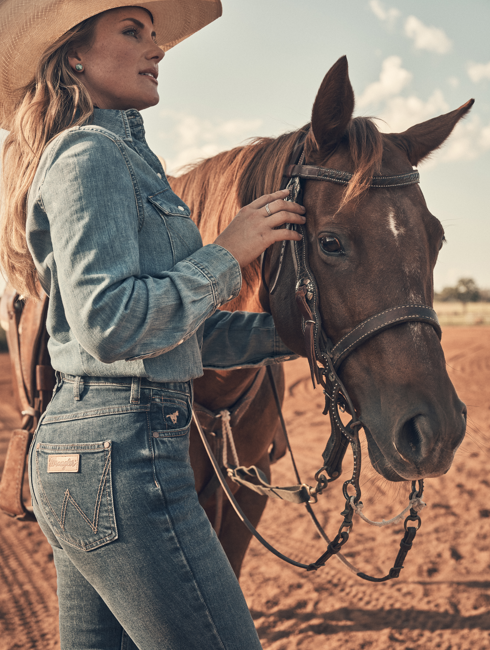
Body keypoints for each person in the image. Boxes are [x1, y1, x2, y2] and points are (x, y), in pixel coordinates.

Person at [0, 2, 306, 649]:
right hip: (127, 454)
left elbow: (169, 331)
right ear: (75, 54)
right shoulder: (90, 154)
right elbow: (111, 324)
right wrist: (228, 253)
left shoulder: (122, 159)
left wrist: (302, 335)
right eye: (132, 32)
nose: (157, 48)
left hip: (92, 454)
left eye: (154, 33)